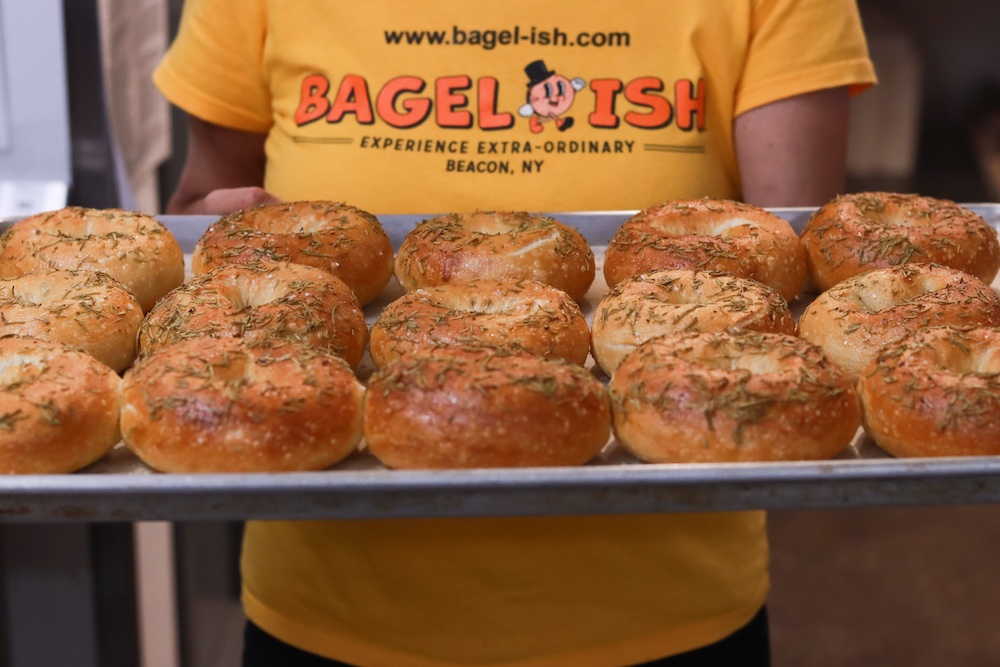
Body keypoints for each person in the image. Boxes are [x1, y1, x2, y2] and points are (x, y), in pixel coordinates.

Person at [154, 2, 876, 665]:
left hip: (666, 604)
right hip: (329, 604)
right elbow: (195, 211)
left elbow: (798, 269)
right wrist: (216, 225)